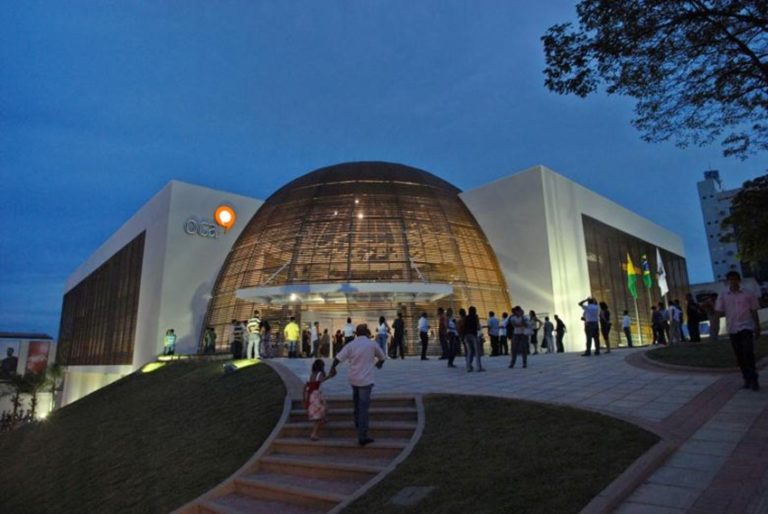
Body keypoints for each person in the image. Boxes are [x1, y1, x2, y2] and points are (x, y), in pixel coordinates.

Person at [327, 324, 386, 445]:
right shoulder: (372, 344)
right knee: (363, 408)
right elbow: (382, 357)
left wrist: (332, 368)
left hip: (354, 380)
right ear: (367, 333)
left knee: (357, 403)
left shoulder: (351, 345)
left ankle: (357, 423)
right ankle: (362, 436)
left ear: (356, 334)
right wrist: (379, 364)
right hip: (366, 380)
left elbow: (338, 358)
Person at [714, 271, 761, 391]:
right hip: (733, 329)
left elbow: (754, 310)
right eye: (730, 280)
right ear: (727, 281)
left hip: (746, 327)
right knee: (739, 355)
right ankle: (746, 379)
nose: (733, 282)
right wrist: (716, 328)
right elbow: (718, 312)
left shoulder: (748, 294)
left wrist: (757, 326)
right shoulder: (723, 295)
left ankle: (754, 379)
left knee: (748, 353)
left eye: (735, 279)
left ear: (739, 280)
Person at [305, 359, 328, 441]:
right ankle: (314, 434)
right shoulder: (320, 374)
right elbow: (322, 380)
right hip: (317, 395)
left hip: (311, 395)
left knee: (323, 409)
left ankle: (324, 418)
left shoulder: (311, 375)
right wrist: (330, 375)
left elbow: (307, 386)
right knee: (319, 415)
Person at [465, 306, 484, 372]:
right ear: (474, 311)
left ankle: (468, 367)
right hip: (473, 335)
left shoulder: (466, 317)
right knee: (477, 352)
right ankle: (479, 367)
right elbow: (478, 327)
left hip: (466, 336)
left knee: (469, 352)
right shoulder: (475, 317)